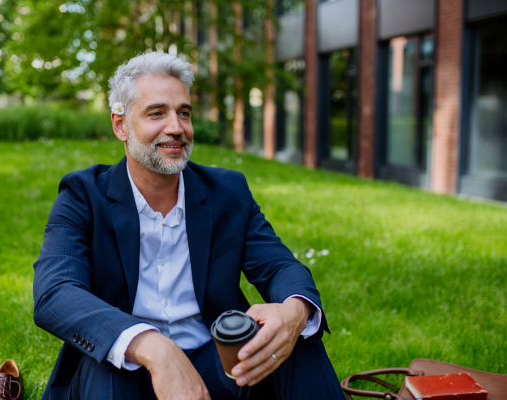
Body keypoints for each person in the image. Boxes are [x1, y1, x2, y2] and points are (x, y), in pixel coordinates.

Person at [33, 51, 345, 400]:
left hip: (215, 364)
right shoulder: (83, 194)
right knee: (108, 360)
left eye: (184, 112)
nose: (176, 127)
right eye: (157, 113)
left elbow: (279, 267)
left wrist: (293, 312)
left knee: (289, 339)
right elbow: (55, 292)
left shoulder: (227, 192)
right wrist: (153, 347)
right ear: (120, 125)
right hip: (121, 371)